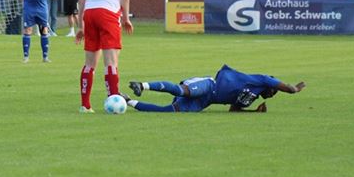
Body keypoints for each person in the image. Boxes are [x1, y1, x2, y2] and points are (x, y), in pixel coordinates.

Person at [75, 0, 133, 113]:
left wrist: (80, 25)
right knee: (111, 61)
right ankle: (114, 100)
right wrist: (126, 17)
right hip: (108, 13)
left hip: (90, 13)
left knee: (89, 63)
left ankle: (85, 105)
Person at [122, 64, 305, 113]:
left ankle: (129, 101)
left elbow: (234, 110)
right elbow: (286, 87)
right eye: (274, 90)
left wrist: (253, 112)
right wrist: (294, 89)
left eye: (274, 93)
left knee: (169, 111)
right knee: (181, 91)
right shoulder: (261, 80)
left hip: (206, 101)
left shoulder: (252, 96)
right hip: (209, 85)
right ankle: (142, 85)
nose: (273, 92)